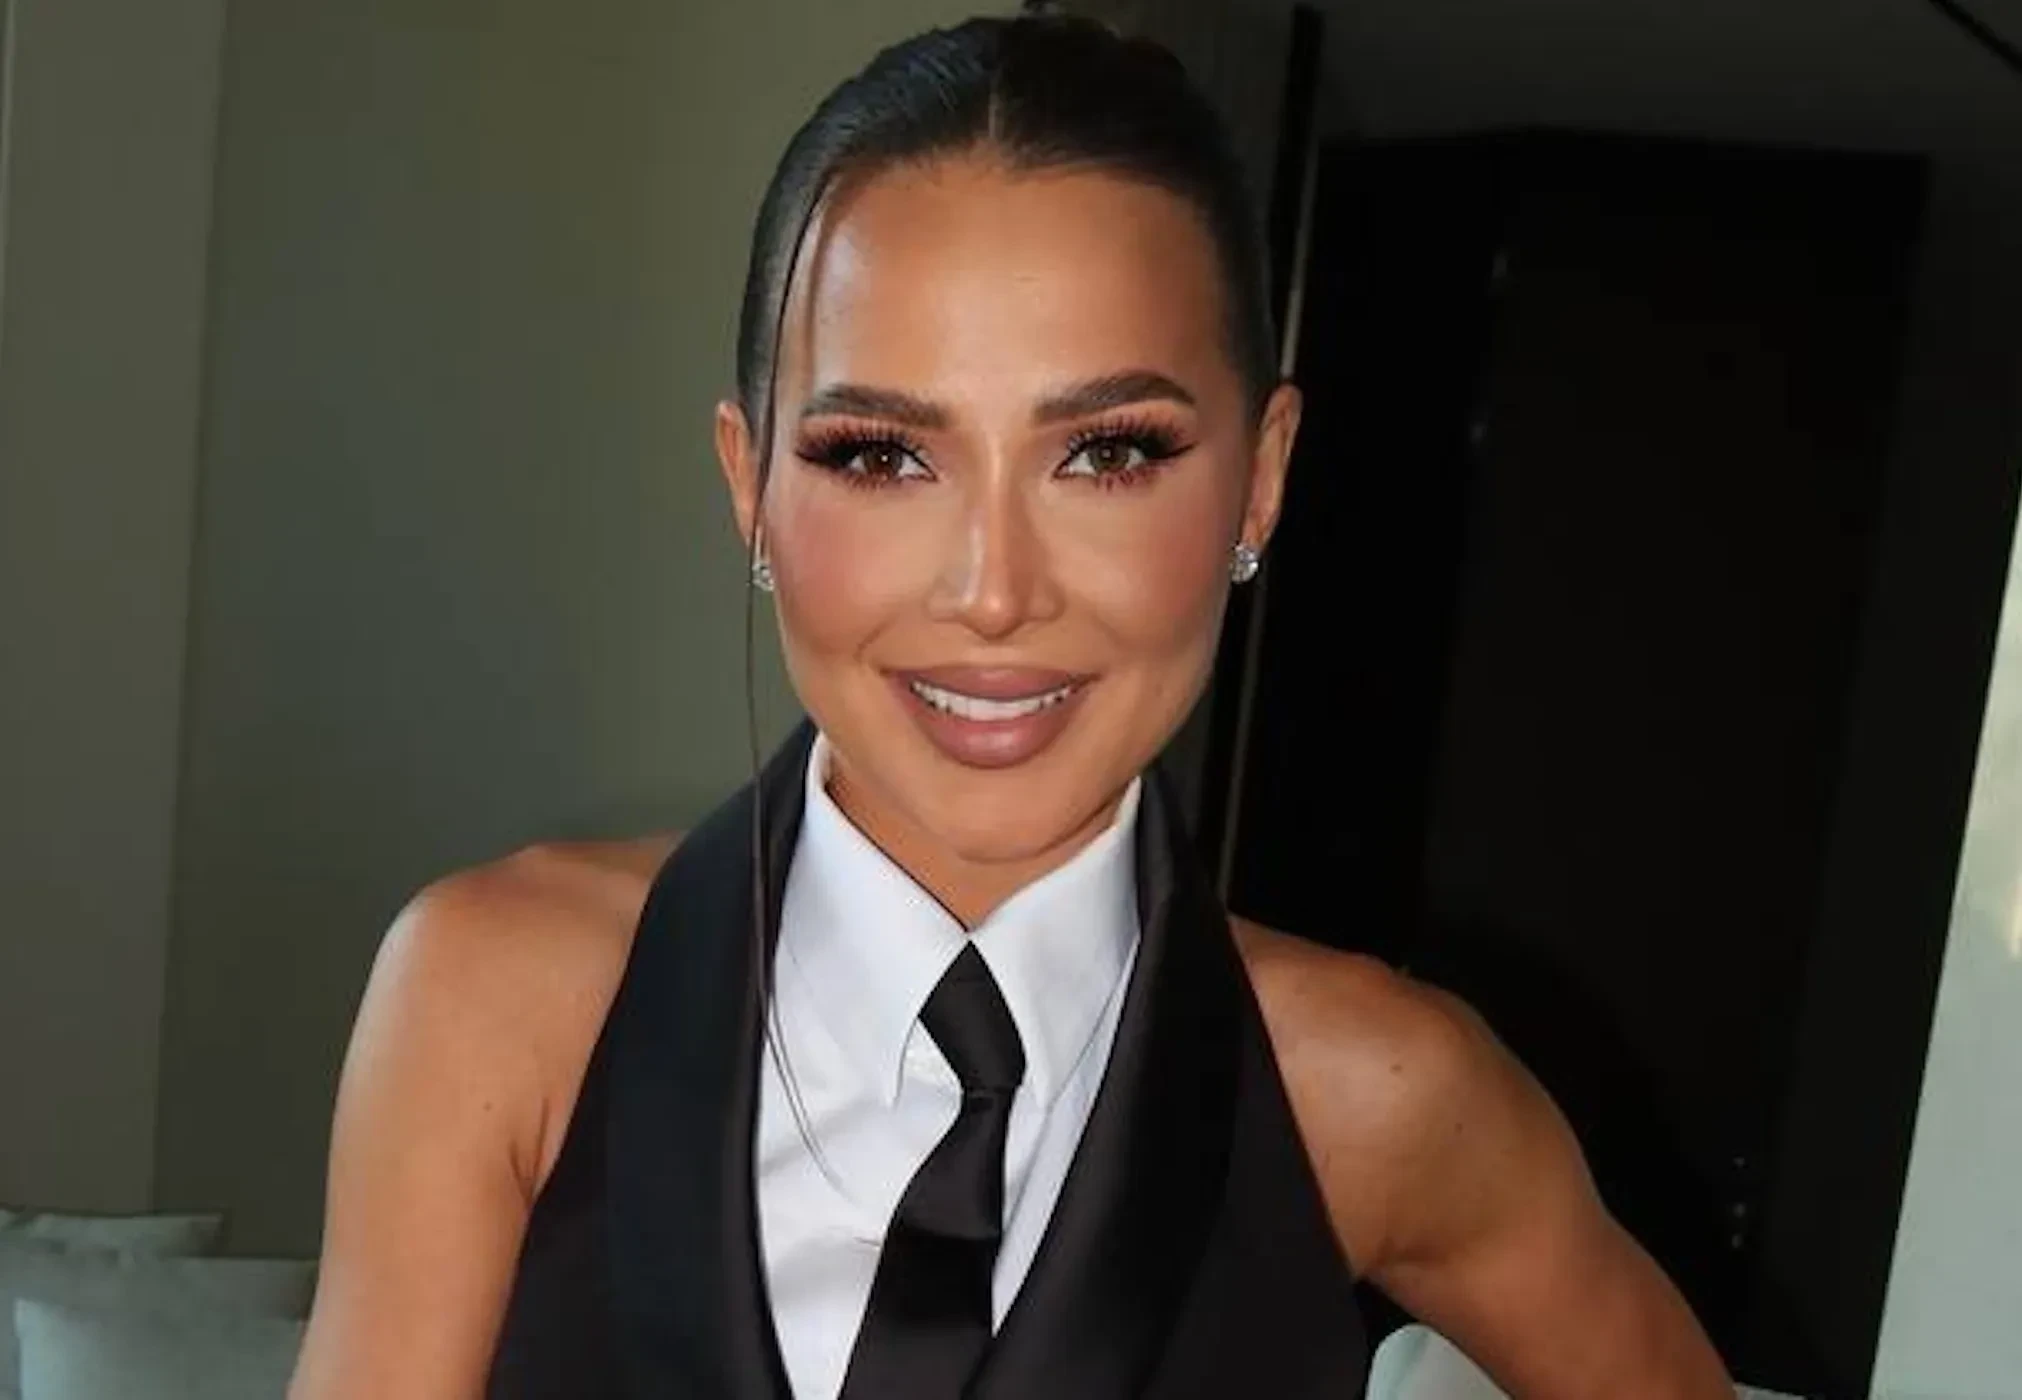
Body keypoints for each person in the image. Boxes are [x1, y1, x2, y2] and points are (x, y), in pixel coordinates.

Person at [289, 15, 1733, 1399]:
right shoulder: (499, 999)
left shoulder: (1374, 1093)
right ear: (750, 483)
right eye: (881, 456)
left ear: (1262, 477)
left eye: (1106, 454)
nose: (992, 591)